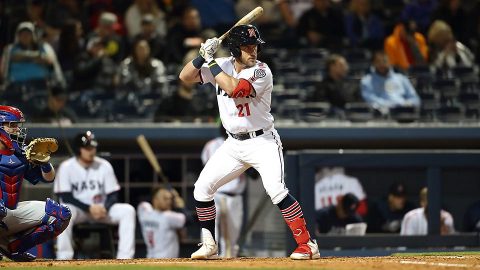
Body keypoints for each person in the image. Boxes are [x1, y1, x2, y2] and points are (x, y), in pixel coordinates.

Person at [179, 24, 320, 260]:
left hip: (262, 141)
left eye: (255, 46)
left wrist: (211, 61)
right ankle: (209, 244)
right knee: (202, 189)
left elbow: (235, 89)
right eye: (246, 47)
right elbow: (185, 77)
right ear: (234, 49)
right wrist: (200, 57)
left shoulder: (262, 71)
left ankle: (308, 244)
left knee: (276, 191)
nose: (253, 51)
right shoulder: (222, 64)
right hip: (233, 144)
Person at [0, 105, 71, 261]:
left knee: (60, 214)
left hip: (8, 212)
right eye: (12, 125)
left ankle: (11, 249)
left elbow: (48, 178)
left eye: (18, 125)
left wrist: (44, 163)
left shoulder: (20, 152)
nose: (17, 130)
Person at [54, 131, 136, 260]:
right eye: (87, 148)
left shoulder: (104, 165)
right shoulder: (66, 167)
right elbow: (65, 196)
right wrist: (88, 208)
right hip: (80, 211)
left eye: (93, 148)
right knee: (62, 210)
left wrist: (106, 208)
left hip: (101, 210)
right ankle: (64, 257)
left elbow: (113, 194)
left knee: (128, 210)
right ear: (79, 149)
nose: (91, 151)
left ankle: (125, 258)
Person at [201, 125, 247, 258]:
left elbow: (253, 175)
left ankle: (229, 262)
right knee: (209, 237)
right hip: (215, 195)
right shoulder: (211, 145)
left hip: (234, 197)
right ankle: (207, 263)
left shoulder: (244, 144)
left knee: (231, 242)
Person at [360, 51, 421, 115]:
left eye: (384, 61)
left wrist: (406, 103)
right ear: (373, 63)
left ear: (390, 62)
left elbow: (415, 99)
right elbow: (370, 99)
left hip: (403, 113)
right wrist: (392, 105)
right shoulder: (367, 81)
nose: (382, 64)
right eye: (378, 62)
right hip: (380, 116)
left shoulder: (402, 79)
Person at [137, 187, 186, 258]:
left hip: (149, 259)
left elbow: (144, 202)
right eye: (165, 198)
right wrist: (179, 204)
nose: (168, 201)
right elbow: (189, 219)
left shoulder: (144, 211)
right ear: (155, 199)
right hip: (166, 261)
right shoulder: (168, 217)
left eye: (170, 199)